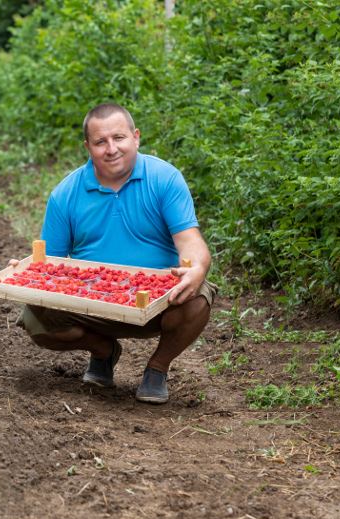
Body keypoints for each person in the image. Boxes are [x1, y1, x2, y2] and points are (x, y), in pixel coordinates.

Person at [15, 103, 216, 404]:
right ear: (88, 147)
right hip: (90, 304)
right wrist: (28, 272)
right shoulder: (65, 194)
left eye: (119, 138)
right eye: (100, 142)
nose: (111, 149)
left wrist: (198, 266)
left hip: (157, 302)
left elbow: (190, 240)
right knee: (35, 318)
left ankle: (157, 368)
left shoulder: (165, 178)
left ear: (136, 137)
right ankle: (103, 351)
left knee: (198, 295)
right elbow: (51, 266)